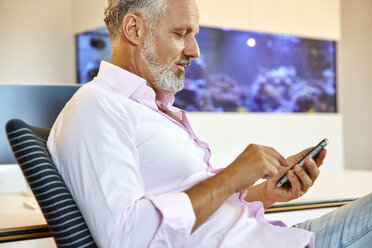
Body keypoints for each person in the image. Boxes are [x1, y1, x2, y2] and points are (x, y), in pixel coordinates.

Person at [47, 0, 372, 247]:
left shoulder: (151, 110)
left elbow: (196, 218)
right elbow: (127, 237)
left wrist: (268, 194)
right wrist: (232, 176)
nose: (195, 51)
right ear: (134, 30)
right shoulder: (96, 106)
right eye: (180, 34)